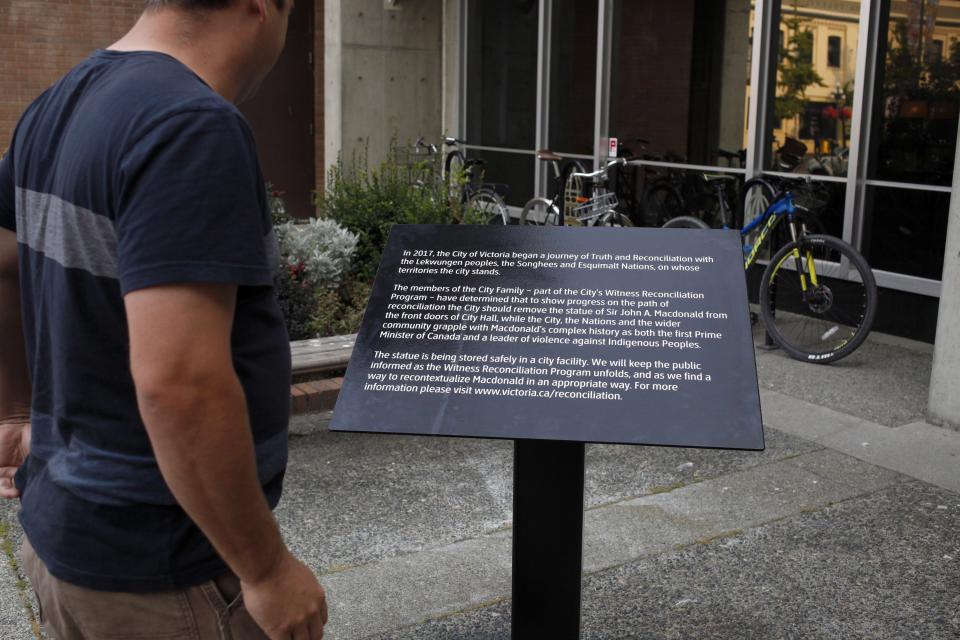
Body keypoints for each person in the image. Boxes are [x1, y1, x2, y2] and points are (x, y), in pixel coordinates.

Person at [0, 1, 328, 638]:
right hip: (165, 574)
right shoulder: (190, 124)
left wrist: (14, 411)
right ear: (263, 8)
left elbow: (2, 260)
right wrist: (265, 571)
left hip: (64, 539)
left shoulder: (57, 101)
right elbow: (180, 384)